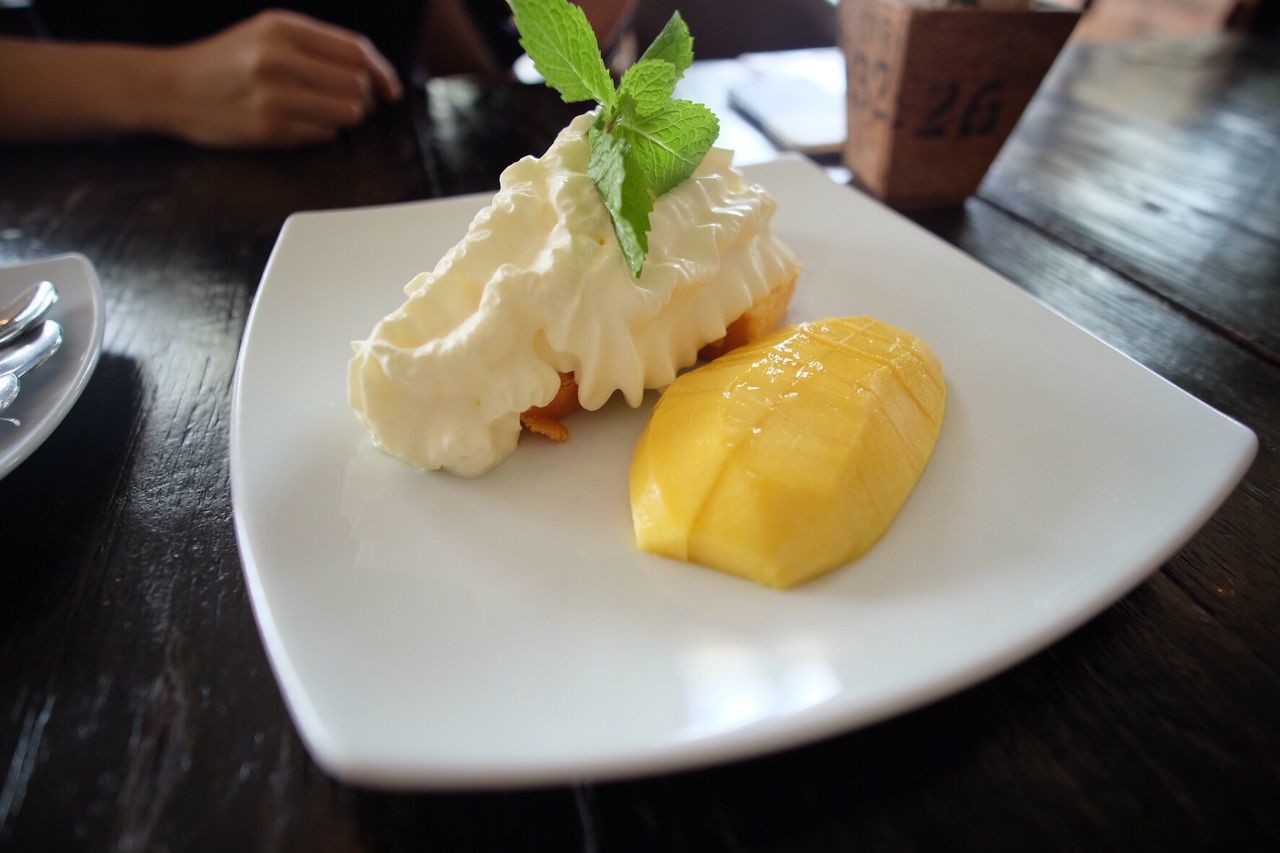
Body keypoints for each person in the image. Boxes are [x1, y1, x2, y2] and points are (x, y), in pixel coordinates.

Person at [0, 0, 634, 149]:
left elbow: (443, 35)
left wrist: (542, 47)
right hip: (118, 206)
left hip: (390, 172)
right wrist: (163, 87)